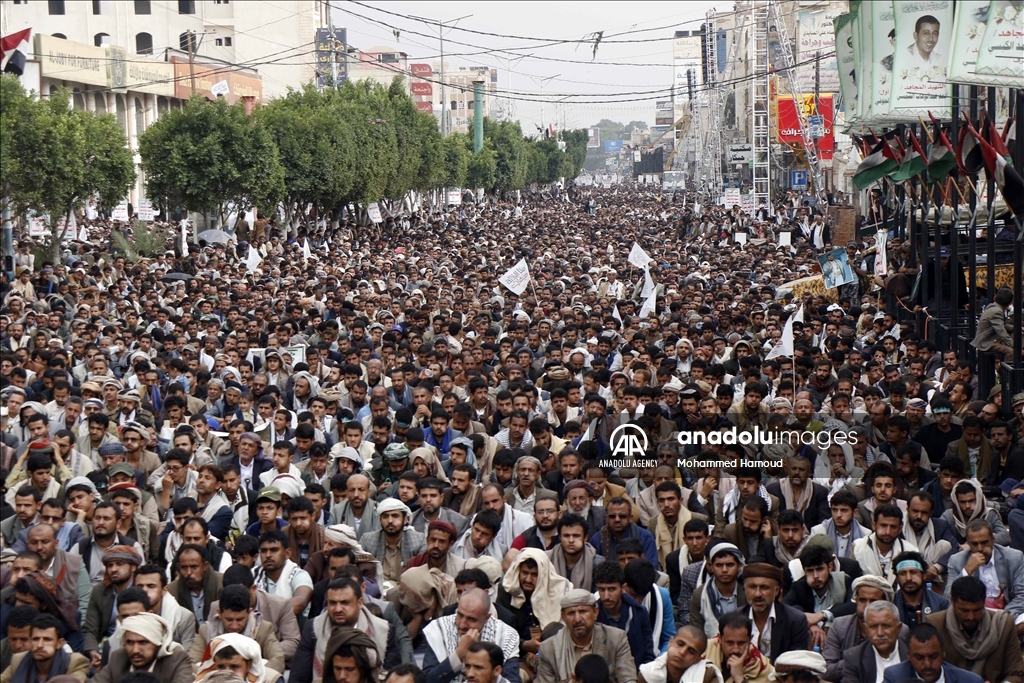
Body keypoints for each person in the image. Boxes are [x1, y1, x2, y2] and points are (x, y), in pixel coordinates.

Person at [926, 576, 1024, 683]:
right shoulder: (935, 624)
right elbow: (927, 669)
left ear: (984, 602)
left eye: (977, 610)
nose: (971, 617)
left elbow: (1016, 672)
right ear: (952, 601)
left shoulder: (1003, 625)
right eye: (964, 610)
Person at [535, 588, 637, 683]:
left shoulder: (616, 639)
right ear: (563, 617)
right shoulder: (548, 649)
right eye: (571, 613)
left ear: (595, 613)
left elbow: (628, 679)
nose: (577, 619)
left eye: (582, 611)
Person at [422, 587, 522, 683]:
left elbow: (512, 680)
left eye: (471, 619)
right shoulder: (439, 629)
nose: (462, 624)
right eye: (460, 615)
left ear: (486, 618)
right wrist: (458, 654)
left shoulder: (506, 635)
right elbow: (428, 680)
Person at [188, 584, 287, 679]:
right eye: (229, 620)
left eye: (240, 620)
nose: (234, 626)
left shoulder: (263, 629)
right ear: (219, 613)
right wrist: (219, 675)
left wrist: (249, 675)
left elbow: (278, 660)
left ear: (249, 612)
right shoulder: (206, 630)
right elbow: (190, 663)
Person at [92, 613, 194, 683]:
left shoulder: (176, 658)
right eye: (130, 642)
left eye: (143, 642)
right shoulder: (118, 657)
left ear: (158, 644)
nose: (135, 650)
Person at [595, 560, 656, 669]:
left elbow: (648, 654)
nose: (606, 596)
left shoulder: (639, 612)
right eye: (601, 590)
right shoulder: (593, 614)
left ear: (623, 588)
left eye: (612, 589)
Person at [0, 614, 90, 683]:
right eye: (36, 639)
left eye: (47, 639)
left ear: (59, 643)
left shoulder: (76, 662)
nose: (40, 645)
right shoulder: (18, 659)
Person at [882, 623, 983, 683]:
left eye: (933, 656)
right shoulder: (894, 678)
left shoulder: (969, 681)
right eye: (919, 657)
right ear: (908, 655)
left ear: (943, 653)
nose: (927, 664)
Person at [839, 600, 905, 683]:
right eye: (873, 627)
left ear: (898, 628)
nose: (880, 633)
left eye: (886, 626)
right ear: (866, 629)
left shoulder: (913, 652)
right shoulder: (854, 658)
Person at [701, 611, 773, 683]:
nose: (736, 650)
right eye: (730, 643)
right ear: (720, 639)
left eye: (741, 643)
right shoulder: (702, 651)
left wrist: (739, 678)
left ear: (750, 639)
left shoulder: (762, 667)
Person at [638, 626, 722, 683]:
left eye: (691, 651)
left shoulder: (706, 675)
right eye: (680, 644)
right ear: (670, 642)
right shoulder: (648, 674)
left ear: (698, 659)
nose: (682, 652)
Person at [891, 551, 948, 628]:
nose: (908, 578)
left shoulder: (941, 604)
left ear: (923, 575)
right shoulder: (890, 604)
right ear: (897, 578)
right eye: (903, 573)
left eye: (913, 572)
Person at [193, 633, 270, 683]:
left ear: (248, 665)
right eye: (221, 667)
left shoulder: (273, 680)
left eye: (234, 666)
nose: (227, 672)